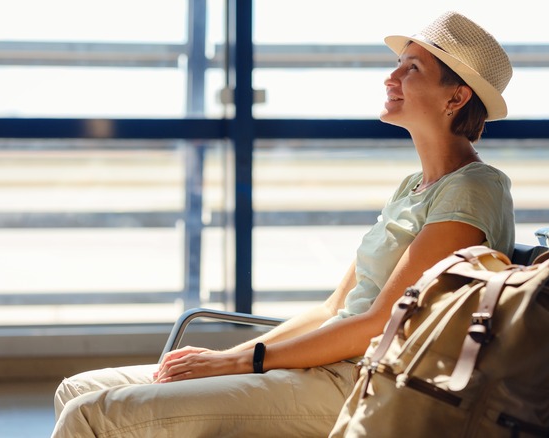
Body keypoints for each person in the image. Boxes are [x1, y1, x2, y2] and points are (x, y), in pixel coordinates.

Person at [52, 11, 515, 437]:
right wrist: (229, 359)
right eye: (398, 62)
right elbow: (336, 307)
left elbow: (378, 324)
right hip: (325, 366)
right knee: (75, 390)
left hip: (366, 383)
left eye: (412, 68)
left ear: (457, 96)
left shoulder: (473, 189)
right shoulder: (413, 186)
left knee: (91, 416)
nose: (391, 76)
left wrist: (243, 361)